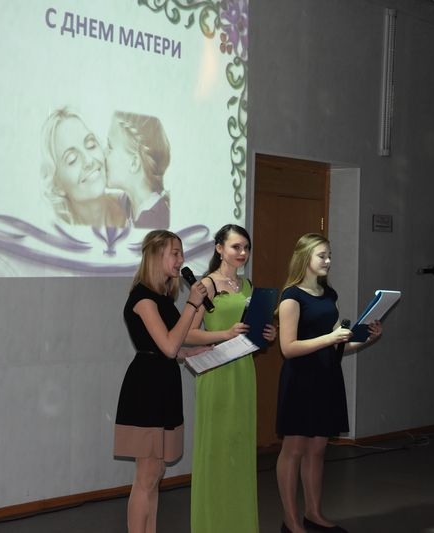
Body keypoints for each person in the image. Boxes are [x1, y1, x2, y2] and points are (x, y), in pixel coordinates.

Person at [275, 233, 383, 533]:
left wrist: (366, 338)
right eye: (322, 255)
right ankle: (291, 521)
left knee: (318, 449)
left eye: (329, 255)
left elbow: (338, 345)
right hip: (300, 379)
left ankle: (313, 513)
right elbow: (288, 348)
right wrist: (330, 338)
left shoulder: (328, 294)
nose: (328, 260)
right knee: (294, 450)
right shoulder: (291, 297)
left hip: (326, 377)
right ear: (305, 258)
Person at [113, 230, 211, 533]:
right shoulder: (143, 299)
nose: (181, 260)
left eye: (182, 253)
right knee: (145, 476)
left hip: (164, 383)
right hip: (146, 388)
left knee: (156, 473)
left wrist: (194, 352)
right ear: (156, 256)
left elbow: (173, 346)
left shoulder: (164, 298)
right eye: (175, 253)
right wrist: (192, 305)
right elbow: (167, 347)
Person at [184, 224, 277, 533]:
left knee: (239, 450)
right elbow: (188, 333)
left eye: (246, 248)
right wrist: (225, 334)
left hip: (243, 371)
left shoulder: (248, 285)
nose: (242, 253)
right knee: (217, 451)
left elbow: (252, 330)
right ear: (219, 248)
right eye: (236, 247)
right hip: (217, 374)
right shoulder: (206, 285)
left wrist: (267, 333)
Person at [40, 107, 127, 227]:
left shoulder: (134, 209)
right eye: (72, 159)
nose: (89, 160)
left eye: (91, 145)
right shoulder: (57, 231)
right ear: (57, 186)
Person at [105, 111, 171, 229]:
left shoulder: (154, 222)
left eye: (109, 147)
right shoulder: (126, 204)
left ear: (134, 163)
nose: (103, 153)